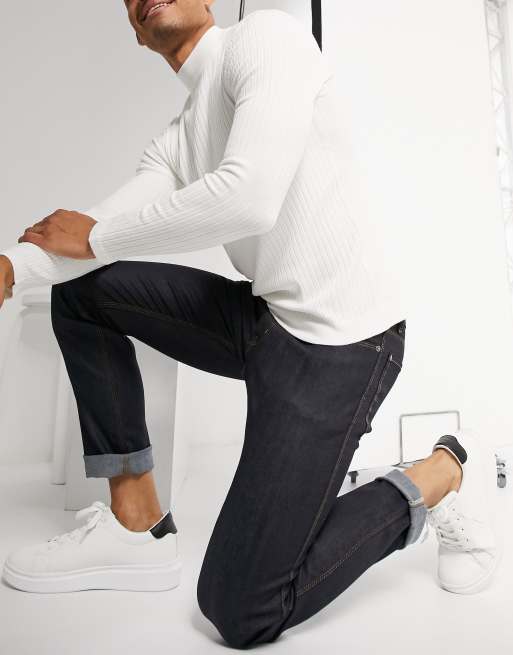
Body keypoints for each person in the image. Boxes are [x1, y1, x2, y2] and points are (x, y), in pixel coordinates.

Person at [0, 0, 500, 648]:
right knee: (83, 292)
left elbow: (248, 197)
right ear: (136, 31)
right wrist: (9, 268)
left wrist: (97, 237)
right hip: (264, 319)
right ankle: (136, 526)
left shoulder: (266, 41)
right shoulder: (177, 139)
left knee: (240, 611)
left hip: (342, 348)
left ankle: (438, 474)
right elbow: (89, 237)